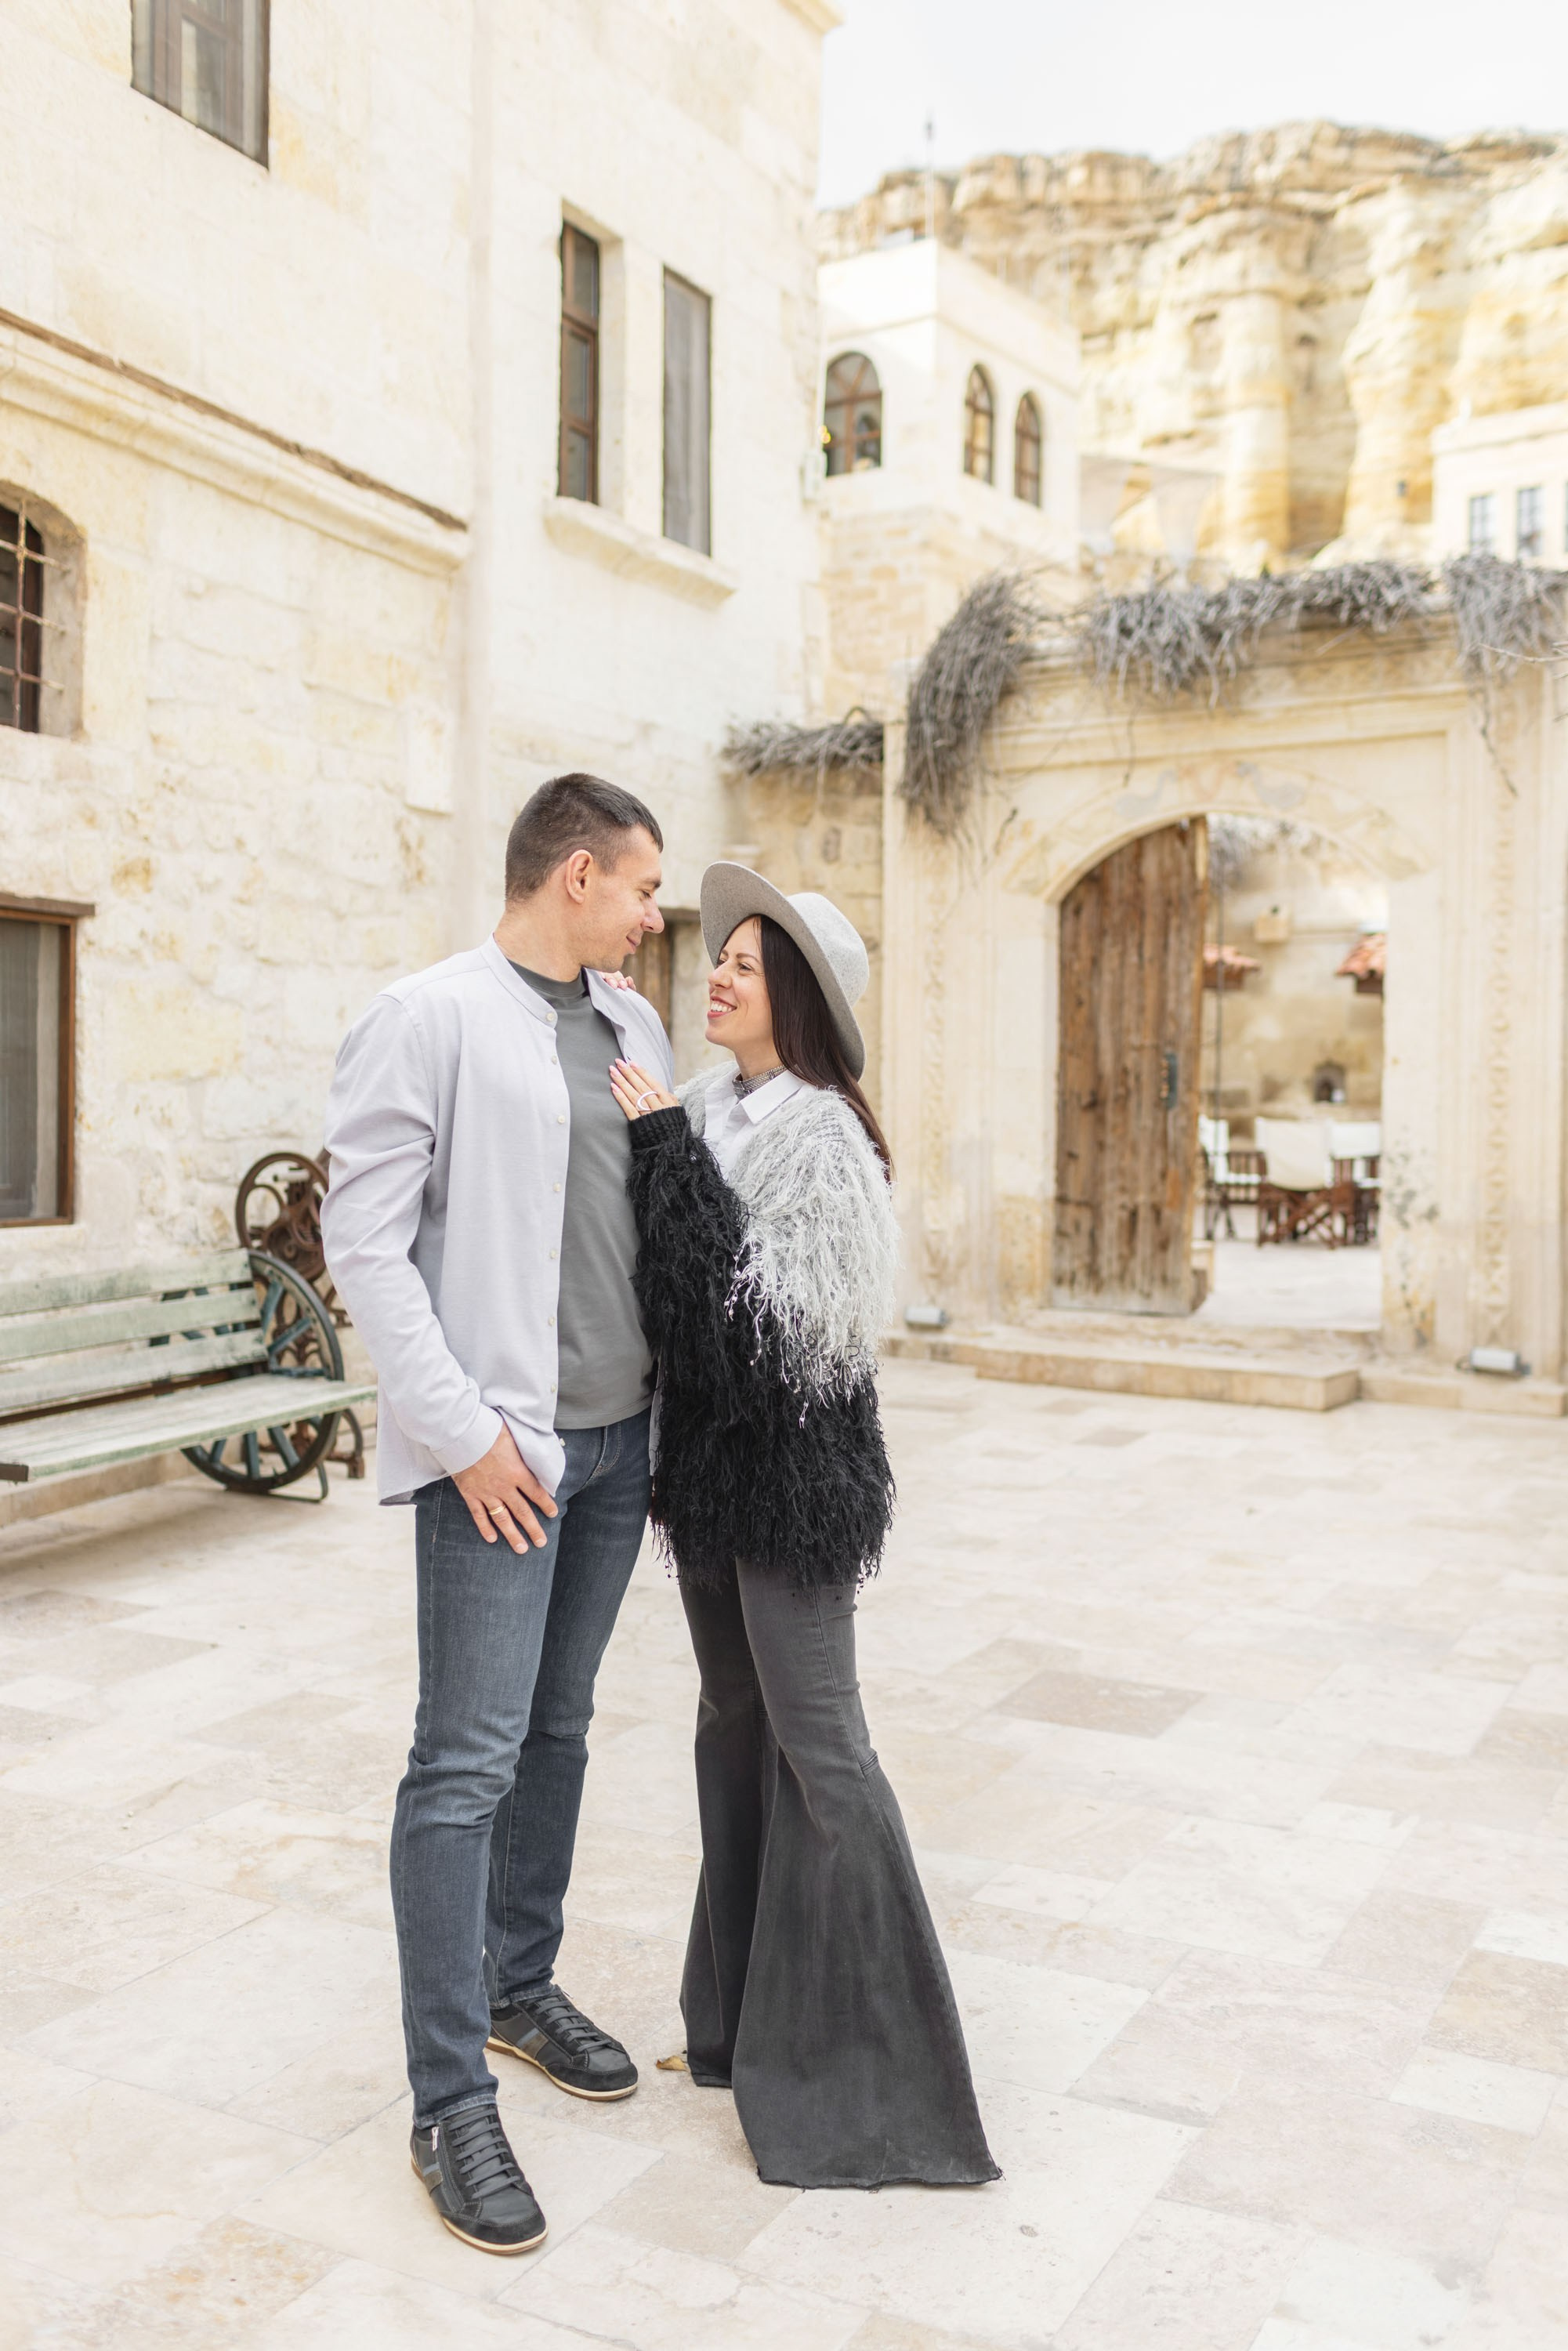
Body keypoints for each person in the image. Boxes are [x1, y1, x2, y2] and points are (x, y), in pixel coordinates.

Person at [320, 773, 672, 2256]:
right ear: (576, 874)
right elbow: (367, 1244)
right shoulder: (429, 1016)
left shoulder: (636, 1028)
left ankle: (520, 1986)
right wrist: (463, 1437)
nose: (659, 918)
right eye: (646, 888)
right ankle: (447, 2094)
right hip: (502, 1458)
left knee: (560, 1732)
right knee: (461, 1763)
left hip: (617, 1447)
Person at [608, 864, 998, 2192]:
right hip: (706, 1480)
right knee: (729, 1724)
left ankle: (880, 2084)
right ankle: (732, 2027)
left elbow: (757, 1339)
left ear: (802, 1004)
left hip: (789, 1480)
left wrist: (658, 1153)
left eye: (746, 964)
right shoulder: (707, 1101)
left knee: (822, 1752)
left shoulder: (825, 1137)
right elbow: (664, 1289)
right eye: (718, 954)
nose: (714, 971)